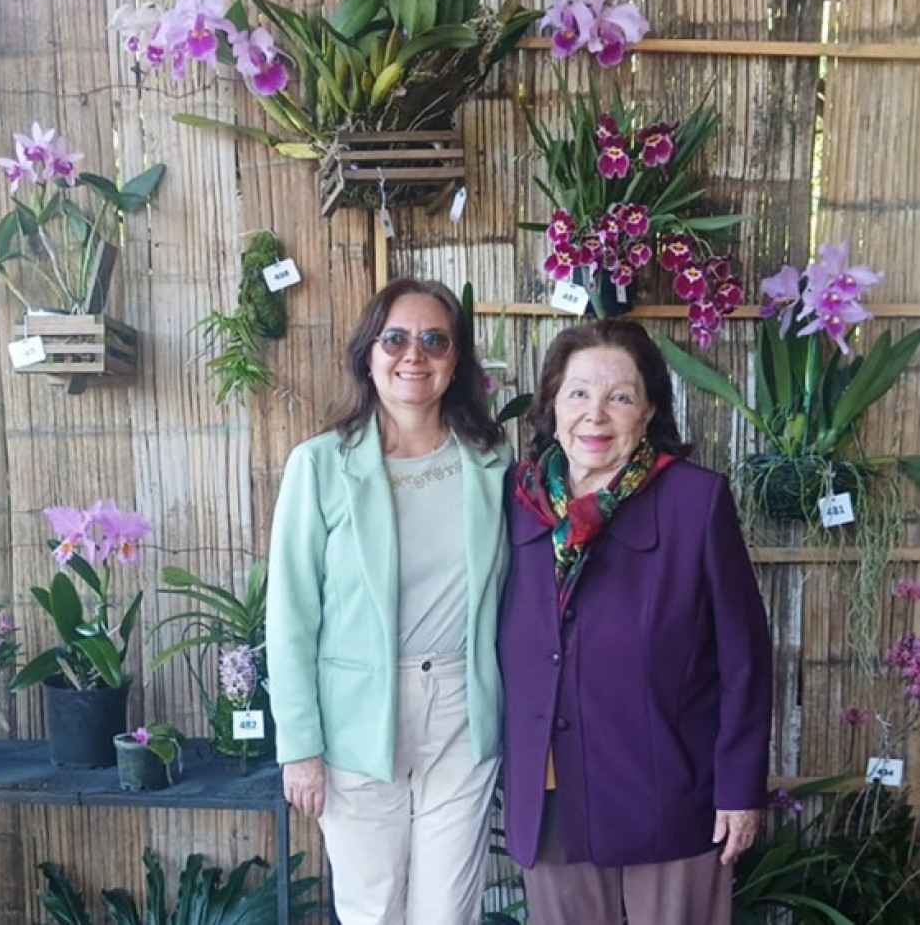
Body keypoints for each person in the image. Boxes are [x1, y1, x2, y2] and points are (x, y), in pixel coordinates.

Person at [497, 319, 772, 925]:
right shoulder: (517, 503)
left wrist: (739, 790)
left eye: (619, 396)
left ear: (648, 411)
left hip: (670, 790)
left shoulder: (694, 502)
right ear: (552, 406)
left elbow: (744, 657)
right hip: (550, 791)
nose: (595, 415)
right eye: (578, 394)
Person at [266, 277, 511, 925]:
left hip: (461, 710)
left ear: (455, 361)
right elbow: (290, 618)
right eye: (395, 338)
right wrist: (299, 746)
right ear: (367, 353)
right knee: (373, 908)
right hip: (355, 717)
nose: (414, 354)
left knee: (446, 911)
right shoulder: (318, 465)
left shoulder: (491, 461)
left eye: (435, 339)